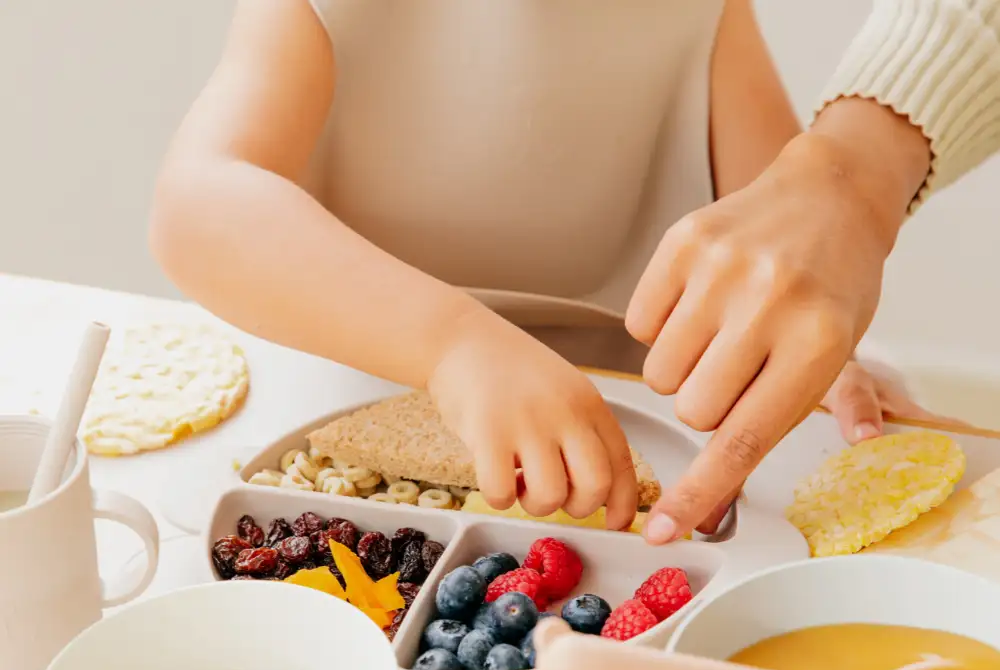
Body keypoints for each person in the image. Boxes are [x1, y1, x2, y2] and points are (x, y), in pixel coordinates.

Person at [150, 0, 1000, 543]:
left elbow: (781, 249)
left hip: (642, 430)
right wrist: (454, 347)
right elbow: (197, 205)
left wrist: (822, 359)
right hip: (357, 413)